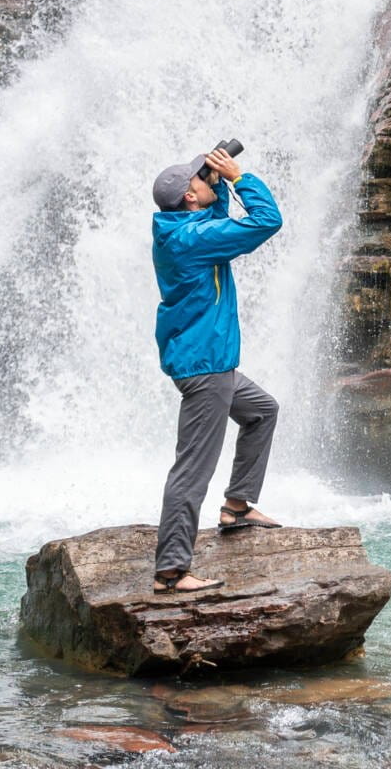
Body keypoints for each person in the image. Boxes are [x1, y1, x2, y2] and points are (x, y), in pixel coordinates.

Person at [147, 146, 285, 594]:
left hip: (209, 361)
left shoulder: (182, 226)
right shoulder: (194, 240)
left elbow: (213, 215)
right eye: (201, 180)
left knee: (262, 410)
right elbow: (266, 221)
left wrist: (215, 182)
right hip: (206, 369)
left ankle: (237, 506)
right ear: (190, 197)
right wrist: (240, 177)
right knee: (192, 469)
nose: (208, 181)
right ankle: (171, 571)